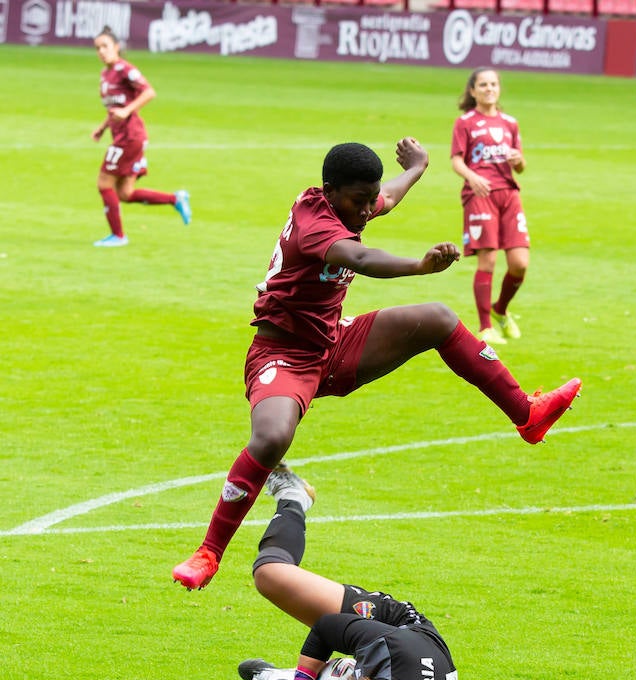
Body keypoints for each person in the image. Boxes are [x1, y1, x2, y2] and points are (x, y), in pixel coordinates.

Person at [170, 138, 582, 592]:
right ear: (330, 191)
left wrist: (418, 168)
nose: (368, 210)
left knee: (438, 318)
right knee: (271, 437)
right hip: (283, 355)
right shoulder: (314, 223)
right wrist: (419, 266)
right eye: (359, 201)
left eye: (370, 199)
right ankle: (208, 552)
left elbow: (387, 195)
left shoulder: (348, 204)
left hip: (334, 342)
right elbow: (361, 258)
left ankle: (527, 415)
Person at [236, 468, 456, 680]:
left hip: (386, 673)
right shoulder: (392, 649)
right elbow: (326, 628)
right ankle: (293, 496)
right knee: (269, 575)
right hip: (396, 625)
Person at [450, 68, 530, 347]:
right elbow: (456, 160)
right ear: (473, 91)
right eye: (483, 85)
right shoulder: (465, 122)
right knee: (489, 261)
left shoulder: (510, 123)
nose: (489, 89)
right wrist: (472, 177)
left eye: (493, 84)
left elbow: (521, 166)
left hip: (509, 195)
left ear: (499, 88)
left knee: (520, 263)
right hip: (481, 194)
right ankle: (485, 327)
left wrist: (518, 160)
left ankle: (500, 309)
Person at [91, 26, 191, 247]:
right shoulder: (105, 75)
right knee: (125, 193)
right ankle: (176, 199)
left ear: (116, 47)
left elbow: (149, 92)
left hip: (129, 136)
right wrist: (102, 128)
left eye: (105, 46)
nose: (101, 51)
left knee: (104, 182)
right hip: (124, 135)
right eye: (97, 48)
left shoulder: (125, 69)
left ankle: (118, 236)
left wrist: (127, 111)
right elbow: (114, 108)